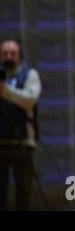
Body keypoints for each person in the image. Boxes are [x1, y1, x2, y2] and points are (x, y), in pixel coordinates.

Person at [0, 39, 41, 211]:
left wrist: (5, 92)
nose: (9, 57)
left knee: (23, 189)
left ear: (20, 56)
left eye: (13, 53)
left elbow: (30, 100)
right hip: (0, 144)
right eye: (5, 54)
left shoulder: (29, 75)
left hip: (22, 143)